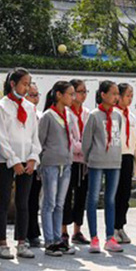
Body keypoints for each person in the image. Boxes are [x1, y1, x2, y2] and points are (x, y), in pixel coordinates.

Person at [0, 68, 42, 259]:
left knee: (24, 202)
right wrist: (13, 161)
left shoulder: (29, 107)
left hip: (26, 159)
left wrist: (32, 157)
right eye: (24, 83)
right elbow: (1, 137)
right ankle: (2, 243)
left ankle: (22, 242)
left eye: (29, 83)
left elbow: (34, 136)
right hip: (6, 160)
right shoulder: (2, 107)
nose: (27, 87)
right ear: (13, 84)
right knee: (4, 200)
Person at [82, 80, 125, 253]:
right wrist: (89, 159)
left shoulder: (117, 116)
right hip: (97, 162)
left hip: (114, 162)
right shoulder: (94, 116)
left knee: (110, 200)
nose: (116, 97)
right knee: (92, 199)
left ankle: (110, 237)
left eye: (117, 94)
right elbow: (86, 142)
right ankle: (94, 237)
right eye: (113, 93)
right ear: (103, 94)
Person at [38, 82, 76, 256]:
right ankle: (49, 241)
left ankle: (58, 239)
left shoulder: (69, 114)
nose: (72, 98)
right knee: (49, 203)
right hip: (51, 164)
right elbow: (40, 141)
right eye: (70, 94)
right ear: (59, 95)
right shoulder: (48, 116)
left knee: (60, 204)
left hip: (66, 164)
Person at [62, 79, 89, 247]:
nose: (82, 95)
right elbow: (68, 140)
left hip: (84, 162)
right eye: (79, 91)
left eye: (85, 91)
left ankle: (77, 230)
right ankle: (63, 230)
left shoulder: (87, 113)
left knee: (81, 196)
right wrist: (83, 148)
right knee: (65, 196)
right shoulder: (65, 112)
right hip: (70, 160)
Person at [114, 83, 136, 244]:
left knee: (125, 194)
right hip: (116, 156)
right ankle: (113, 228)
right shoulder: (114, 114)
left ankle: (121, 226)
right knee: (114, 194)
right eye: (127, 95)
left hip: (128, 156)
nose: (130, 99)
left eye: (131, 95)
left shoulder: (131, 116)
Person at [25, 84, 43, 248]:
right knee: (24, 200)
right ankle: (24, 234)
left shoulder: (40, 115)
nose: (35, 98)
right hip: (23, 161)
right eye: (31, 95)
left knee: (34, 200)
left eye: (37, 95)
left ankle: (34, 232)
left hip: (37, 161)